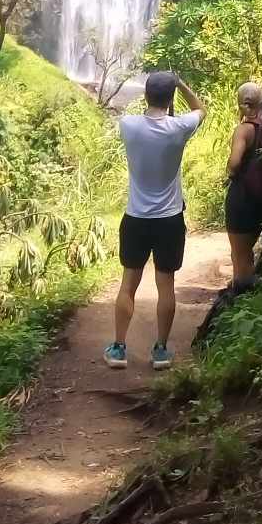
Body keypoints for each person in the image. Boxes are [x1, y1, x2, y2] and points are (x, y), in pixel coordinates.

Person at [105, 69, 205, 372]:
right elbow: (201, 109)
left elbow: (138, 113)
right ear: (170, 97)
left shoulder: (129, 125)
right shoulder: (179, 128)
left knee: (128, 284)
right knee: (166, 286)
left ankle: (119, 347)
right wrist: (183, 83)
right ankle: (161, 350)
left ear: (146, 95)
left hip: (135, 217)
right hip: (169, 219)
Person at [223, 81, 262, 290]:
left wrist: (230, 171)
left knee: (240, 257)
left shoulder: (244, 130)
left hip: (243, 199)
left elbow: (234, 163)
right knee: (251, 255)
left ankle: (240, 303)